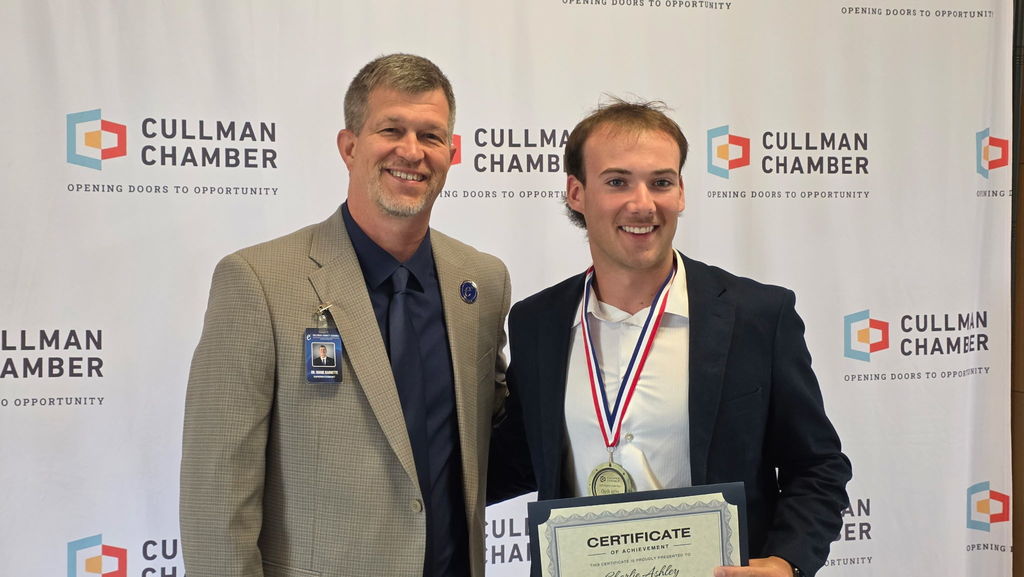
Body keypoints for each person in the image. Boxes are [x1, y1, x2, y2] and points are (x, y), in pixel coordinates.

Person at [181, 53, 511, 577]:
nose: (412, 151)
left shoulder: (483, 281)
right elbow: (215, 498)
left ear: (452, 152)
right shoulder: (257, 282)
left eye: (430, 135)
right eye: (391, 129)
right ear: (350, 146)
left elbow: (494, 432)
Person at [490, 99, 851, 577]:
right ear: (577, 193)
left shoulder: (758, 316)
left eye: (660, 182)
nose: (643, 204)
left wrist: (786, 562)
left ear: (681, 191)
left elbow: (818, 467)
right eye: (617, 181)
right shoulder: (538, 322)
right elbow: (516, 459)